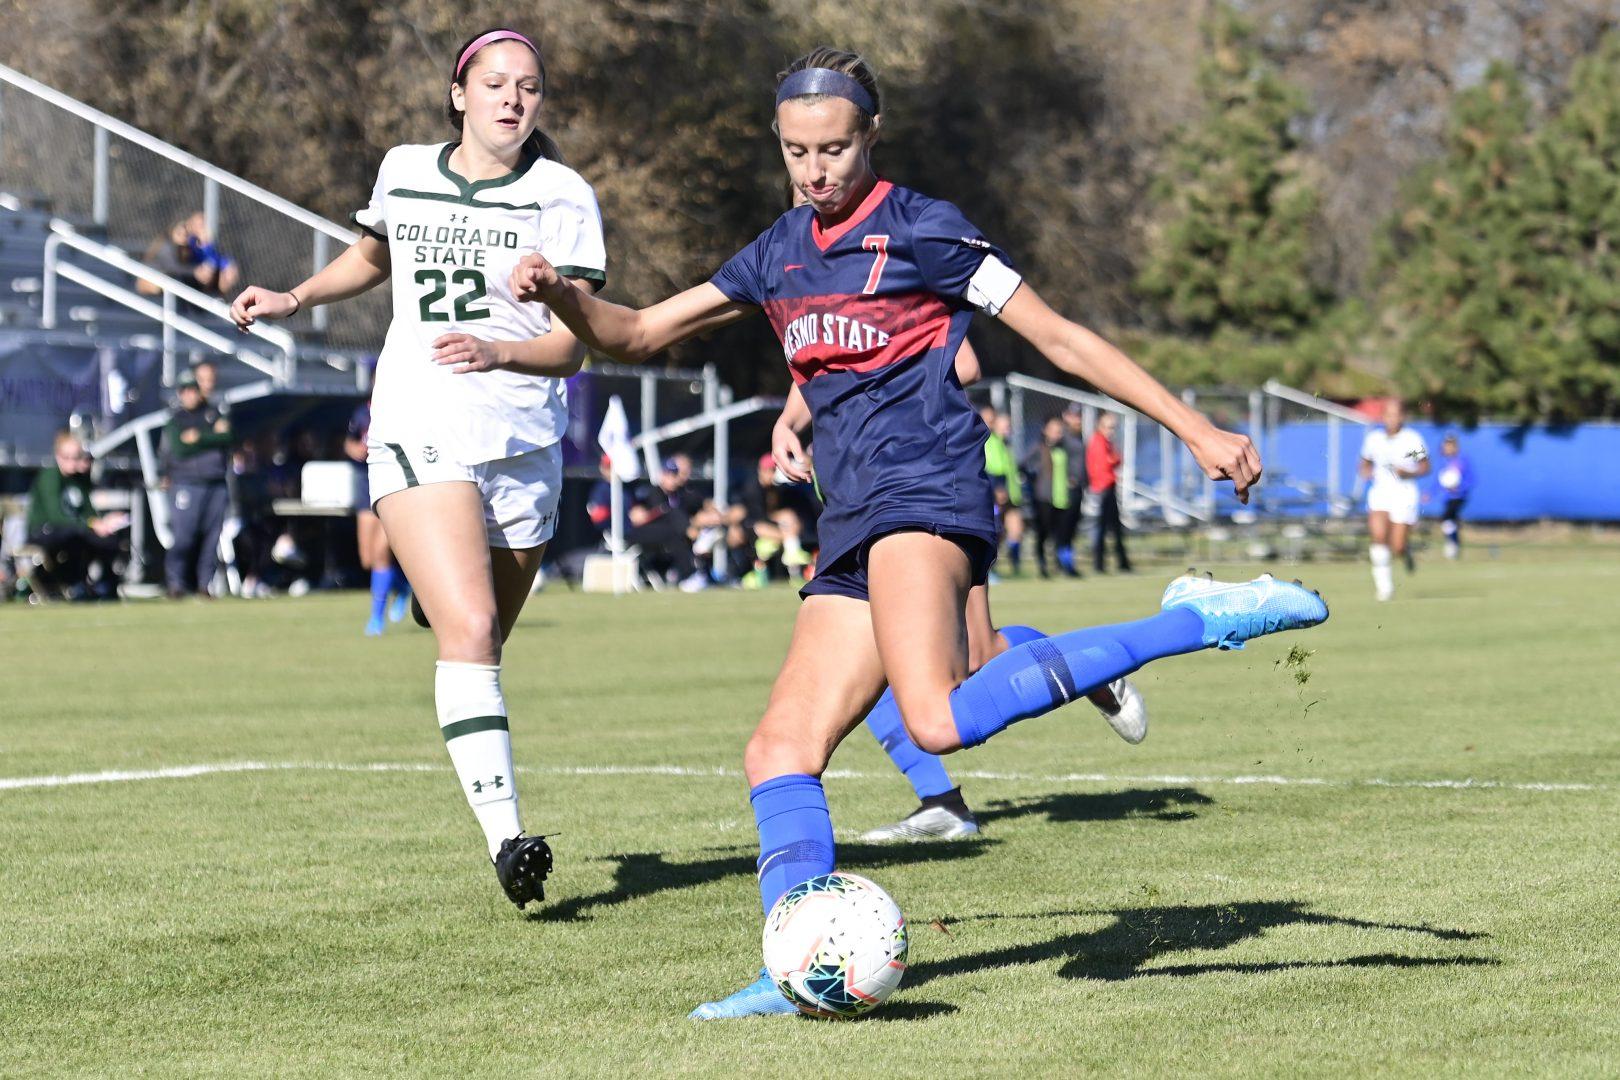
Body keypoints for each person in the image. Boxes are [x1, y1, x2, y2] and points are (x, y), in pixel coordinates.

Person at [508, 47, 1326, 1017]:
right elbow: (635, 334)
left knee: (936, 716)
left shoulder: (924, 231)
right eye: (797, 150)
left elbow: (1057, 336)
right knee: (779, 752)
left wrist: (1193, 429)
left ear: (871, 136)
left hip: (929, 491)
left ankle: (1198, 618)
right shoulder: (776, 251)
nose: (817, 169)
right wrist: (563, 294)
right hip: (851, 519)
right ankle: (793, 964)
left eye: (837, 148)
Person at [230, 26, 606, 909]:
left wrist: (505, 348)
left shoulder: (562, 196)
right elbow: (375, 253)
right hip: (418, 417)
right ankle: (508, 840)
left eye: (531, 88)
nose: (515, 99)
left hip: (524, 442)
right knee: (470, 629)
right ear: (459, 93)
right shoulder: (403, 169)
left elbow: (576, 347)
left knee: (482, 642)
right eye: (497, 83)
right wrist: (294, 297)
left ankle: (447, 649)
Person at [773, 364, 1149, 846]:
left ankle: (1093, 668)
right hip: (861, 508)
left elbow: (965, 358)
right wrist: (789, 421)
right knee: (864, 664)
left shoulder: (889, 295)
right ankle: (942, 803)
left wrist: (870, 378)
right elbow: (812, 359)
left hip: (926, 490)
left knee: (978, 656)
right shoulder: (802, 299)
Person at [24, 431, 126, 599]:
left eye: (77, 456)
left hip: (75, 530)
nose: (73, 461)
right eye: (67, 456)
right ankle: (70, 583)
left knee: (109, 539)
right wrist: (91, 525)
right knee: (78, 536)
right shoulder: (50, 477)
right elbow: (56, 516)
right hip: (44, 529)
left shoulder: (79, 480)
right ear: (58, 456)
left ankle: (105, 585)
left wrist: (103, 523)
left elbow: (88, 511)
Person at [162, 365, 232, 598]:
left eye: (193, 390)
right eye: (185, 391)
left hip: (215, 482)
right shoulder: (176, 420)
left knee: (211, 537)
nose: (190, 395)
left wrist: (199, 437)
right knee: (184, 536)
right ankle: (176, 583)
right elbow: (179, 449)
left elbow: (228, 436)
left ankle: (204, 585)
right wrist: (212, 437)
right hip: (187, 483)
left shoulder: (213, 412)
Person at [344, 400, 412, 634]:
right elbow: (349, 441)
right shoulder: (362, 412)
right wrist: (354, 450)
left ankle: (376, 618)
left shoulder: (402, 407)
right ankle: (403, 587)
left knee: (382, 553)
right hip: (366, 485)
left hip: (392, 483)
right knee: (367, 558)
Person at [1359, 399, 1429, 601]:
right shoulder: (1374, 439)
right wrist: (1366, 472)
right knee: (1379, 537)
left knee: (1397, 545)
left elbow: (1425, 466)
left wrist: (1408, 472)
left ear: (1403, 416)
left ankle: (1405, 553)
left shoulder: (1412, 440)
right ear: (1383, 416)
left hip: (1404, 493)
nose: (1392, 418)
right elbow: (1365, 463)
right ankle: (1385, 587)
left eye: (1396, 414)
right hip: (1380, 492)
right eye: (1389, 414)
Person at [1022, 414, 1079, 578]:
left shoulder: (1064, 448)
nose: (1057, 433)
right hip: (1043, 498)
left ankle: (1062, 565)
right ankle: (1042, 566)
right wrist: (1033, 480)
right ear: (1045, 430)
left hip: (1061, 497)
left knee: (1061, 534)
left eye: (1059, 430)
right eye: (1053, 429)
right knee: (1044, 532)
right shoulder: (1039, 448)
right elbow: (1023, 465)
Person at [141, 212, 241, 298]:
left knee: (221, 273)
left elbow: (215, 259)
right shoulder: (167, 245)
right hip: (151, 279)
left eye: (186, 233)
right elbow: (172, 267)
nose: (184, 234)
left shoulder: (187, 246)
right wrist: (195, 271)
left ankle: (212, 303)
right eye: (180, 231)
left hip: (178, 278)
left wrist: (206, 246)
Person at [981, 406, 1025, 575]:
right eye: (1004, 425)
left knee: (1016, 530)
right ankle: (991, 569)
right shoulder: (990, 441)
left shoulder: (1005, 443)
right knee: (996, 531)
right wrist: (998, 489)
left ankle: (1015, 566)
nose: (1008, 429)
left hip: (1012, 495)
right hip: (996, 495)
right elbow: (994, 469)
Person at [1088, 411, 1132, 573]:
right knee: (1102, 528)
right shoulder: (1098, 442)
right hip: (1103, 488)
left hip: (1108, 486)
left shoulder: (1106, 442)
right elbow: (1107, 463)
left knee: (1114, 527)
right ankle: (1100, 564)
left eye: (1113, 428)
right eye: (1108, 427)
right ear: (1100, 426)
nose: (1111, 431)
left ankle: (1122, 562)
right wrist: (1114, 458)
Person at [1432, 431, 1474, 559]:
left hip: (1459, 497)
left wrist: (1459, 488)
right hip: (1448, 498)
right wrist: (1430, 493)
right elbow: (1439, 482)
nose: (1448, 448)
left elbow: (1471, 479)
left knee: (1447, 518)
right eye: (1446, 445)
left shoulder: (1463, 460)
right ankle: (1453, 543)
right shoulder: (1443, 462)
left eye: (1451, 445)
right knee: (1449, 522)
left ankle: (1453, 544)